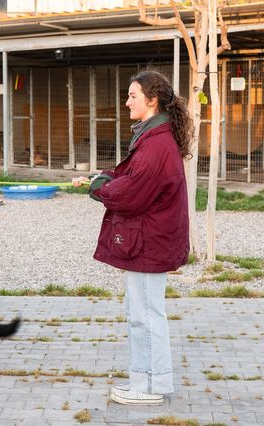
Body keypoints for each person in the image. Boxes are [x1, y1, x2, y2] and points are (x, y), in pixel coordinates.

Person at [73, 70, 191, 406]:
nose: (127, 102)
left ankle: (151, 388)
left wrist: (99, 187)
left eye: (132, 96)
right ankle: (144, 381)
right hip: (149, 240)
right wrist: (103, 177)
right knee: (140, 313)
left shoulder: (157, 143)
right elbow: (131, 174)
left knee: (146, 314)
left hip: (150, 242)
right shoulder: (153, 137)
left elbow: (132, 193)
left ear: (152, 100)